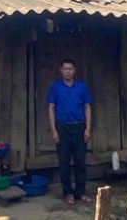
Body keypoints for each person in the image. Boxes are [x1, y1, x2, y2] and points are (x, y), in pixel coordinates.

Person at [46, 59, 92, 205]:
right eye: (65, 69)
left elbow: (87, 107)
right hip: (62, 127)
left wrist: (88, 128)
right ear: (61, 70)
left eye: (70, 69)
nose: (67, 71)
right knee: (64, 161)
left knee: (80, 160)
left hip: (79, 127)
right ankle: (68, 193)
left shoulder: (81, 86)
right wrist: (54, 130)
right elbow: (51, 108)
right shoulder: (56, 87)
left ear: (74, 70)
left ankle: (80, 192)